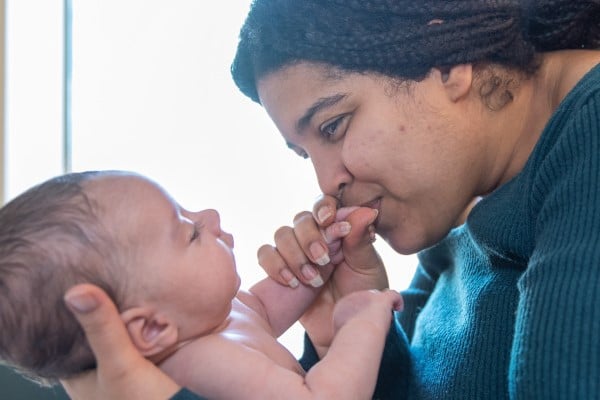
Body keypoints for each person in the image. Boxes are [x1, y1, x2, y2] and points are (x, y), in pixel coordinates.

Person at [61, 0, 600, 399]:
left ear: (448, 60)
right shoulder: (463, 208)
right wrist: (343, 325)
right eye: (304, 154)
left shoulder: (590, 134)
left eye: (334, 125)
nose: (326, 182)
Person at [0, 170, 402, 399]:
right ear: (152, 328)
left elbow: (261, 310)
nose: (209, 216)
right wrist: (361, 323)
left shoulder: (218, 319)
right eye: (189, 232)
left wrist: (322, 262)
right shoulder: (203, 365)